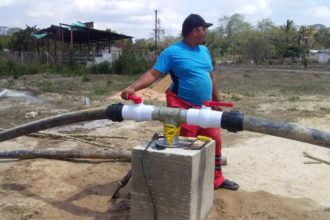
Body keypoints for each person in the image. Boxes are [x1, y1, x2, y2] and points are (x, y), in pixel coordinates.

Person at [121, 14, 239, 190]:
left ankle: (217, 179)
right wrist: (133, 87)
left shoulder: (204, 51)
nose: (205, 33)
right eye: (203, 29)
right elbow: (154, 73)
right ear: (194, 31)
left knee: (215, 140)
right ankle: (186, 185)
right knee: (186, 145)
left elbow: (211, 76)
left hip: (206, 108)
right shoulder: (172, 52)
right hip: (183, 108)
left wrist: (218, 103)